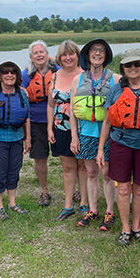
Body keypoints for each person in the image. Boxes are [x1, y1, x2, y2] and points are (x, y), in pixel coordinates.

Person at [97, 48, 140, 245]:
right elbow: (106, 122)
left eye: (137, 64)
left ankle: (137, 226)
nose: (133, 68)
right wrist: (100, 149)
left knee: (139, 189)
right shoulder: (116, 90)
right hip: (120, 143)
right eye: (128, 65)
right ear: (123, 68)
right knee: (122, 188)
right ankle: (125, 228)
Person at [70, 38, 119, 230]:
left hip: (108, 134)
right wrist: (74, 136)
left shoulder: (114, 78)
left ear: (106, 56)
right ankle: (92, 209)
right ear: (87, 55)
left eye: (101, 51)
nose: (97, 54)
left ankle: (109, 212)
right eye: (94, 51)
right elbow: (73, 112)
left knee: (106, 174)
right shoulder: (78, 79)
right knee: (91, 172)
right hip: (86, 133)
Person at [47, 40, 88, 220]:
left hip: (83, 127)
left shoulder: (86, 75)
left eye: (71, 53)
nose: (68, 57)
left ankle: (85, 202)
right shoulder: (55, 76)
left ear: (77, 56)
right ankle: (68, 204)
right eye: (64, 54)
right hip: (60, 127)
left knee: (83, 166)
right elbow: (50, 105)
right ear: (59, 57)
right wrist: (49, 128)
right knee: (67, 167)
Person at [0, 61, 32, 220]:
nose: (9, 75)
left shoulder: (22, 93)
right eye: (5, 72)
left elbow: (27, 117)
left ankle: (12, 203)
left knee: (14, 170)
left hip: (17, 137)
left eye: (13, 72)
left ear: (17, 75)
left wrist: (28, 139)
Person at [21, 40, 59, 207]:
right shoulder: (26, 74)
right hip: (37, 120)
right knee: (40, 158)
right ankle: (44, 191)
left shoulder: (58, 70)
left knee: (67, 158)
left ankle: (73, 190)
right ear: (31, 56)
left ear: (47, 53)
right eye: (35, 53)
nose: (39, 55)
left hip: (59, 118)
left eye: (41, 51)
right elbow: (21, 96)